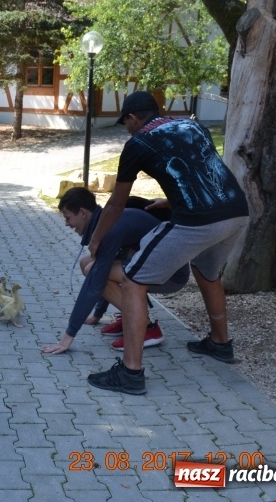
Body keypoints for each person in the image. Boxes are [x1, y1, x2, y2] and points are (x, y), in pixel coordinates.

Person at [86, 90, 249, 395]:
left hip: (198, 220)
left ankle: (130, 372)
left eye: (126, 122)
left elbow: (116, 205)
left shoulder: (137, 143)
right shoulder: (191, 125)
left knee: (133, 280)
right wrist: (172, 200)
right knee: (207, 272)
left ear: (133, 117)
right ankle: (220, 343)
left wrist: (96, 239)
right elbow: (201, 171)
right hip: (237, 211)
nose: (127, 128)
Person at [41, 188, 189, 356]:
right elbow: (105, 266)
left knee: (93, 271)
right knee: (86, 262)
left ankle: (146, 327)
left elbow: (96, 282)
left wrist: (68, 336)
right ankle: (129, 318)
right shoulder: (106, 221)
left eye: (68, 218)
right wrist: (98, 314)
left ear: (82, 213)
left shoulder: (109, 229)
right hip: (156, 267)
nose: (66, 224)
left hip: (172, 276)